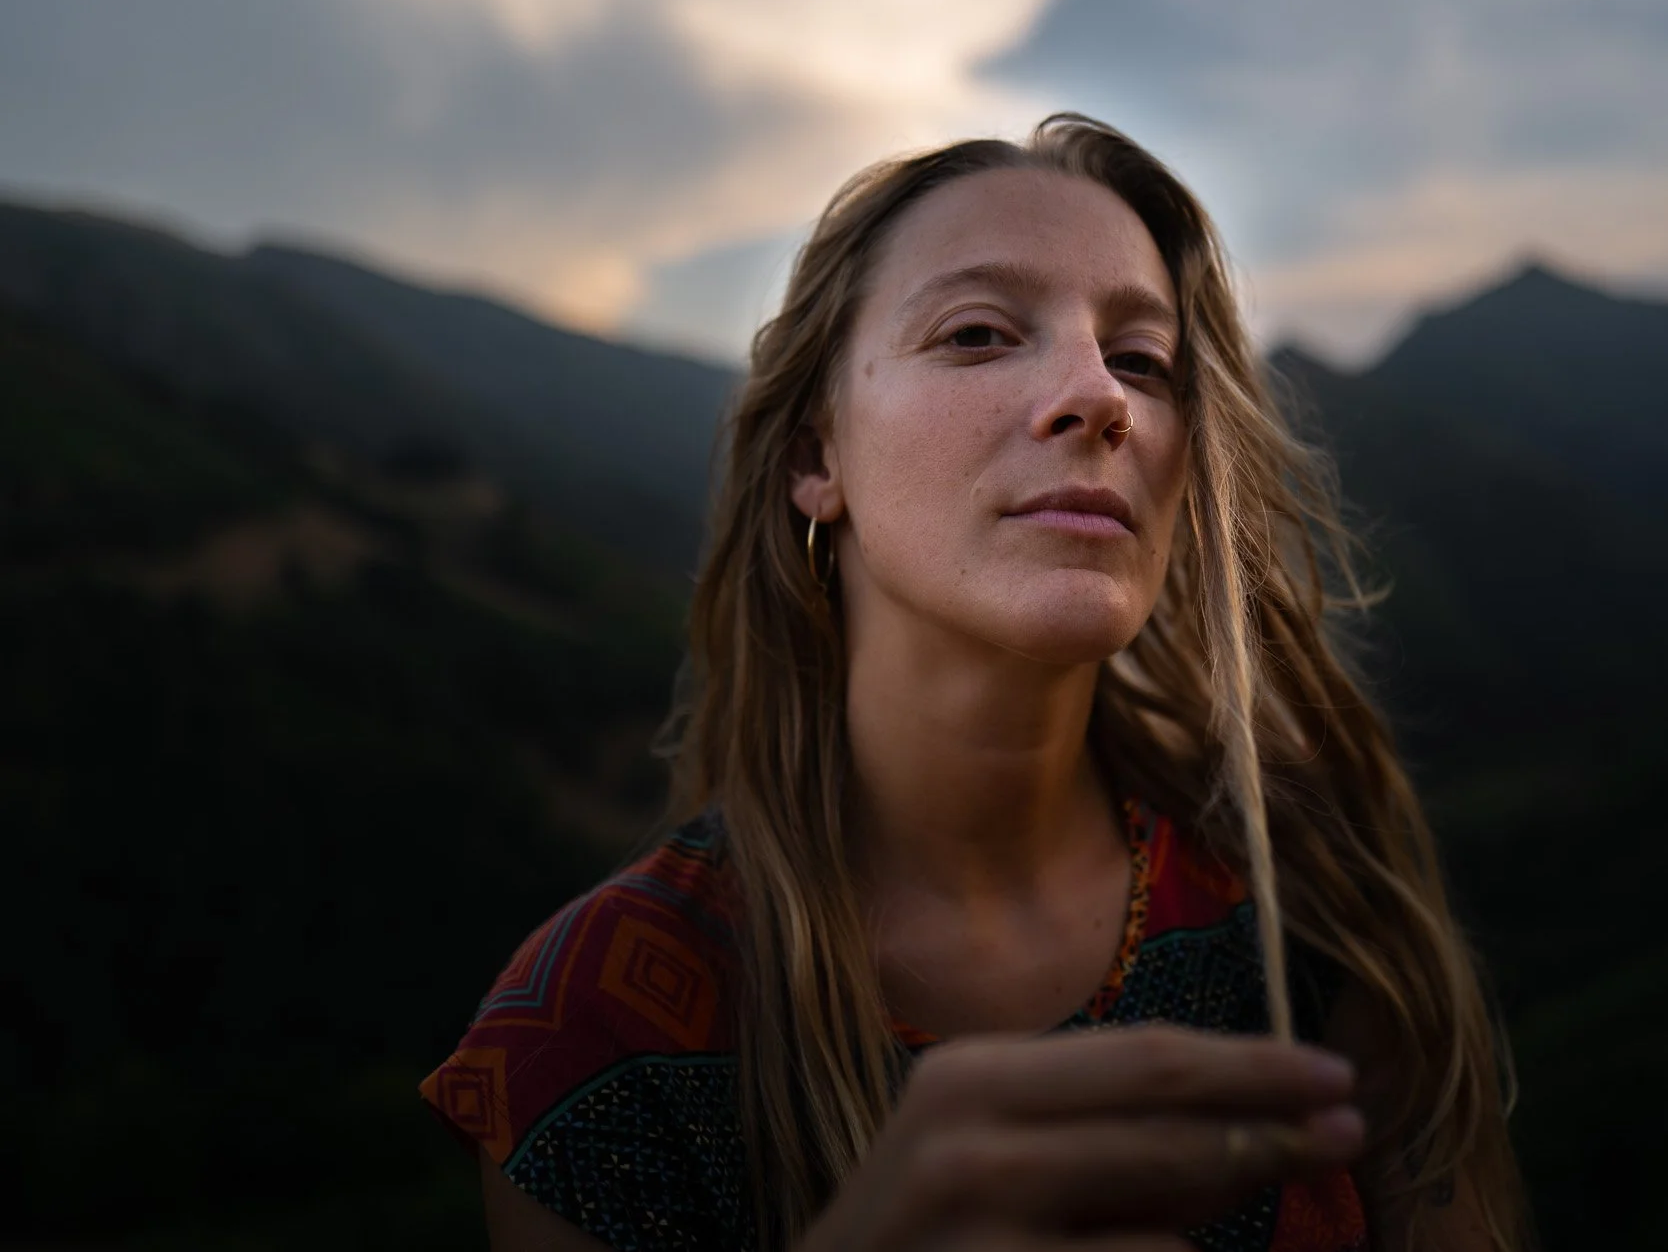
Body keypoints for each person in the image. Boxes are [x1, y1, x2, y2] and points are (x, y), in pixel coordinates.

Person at [421, 114, 1528, 1252]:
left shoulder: (1313, 897)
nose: (1097, 396)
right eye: (978, 334)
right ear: (816, 457)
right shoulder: (598, 1021)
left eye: (1142, 360)